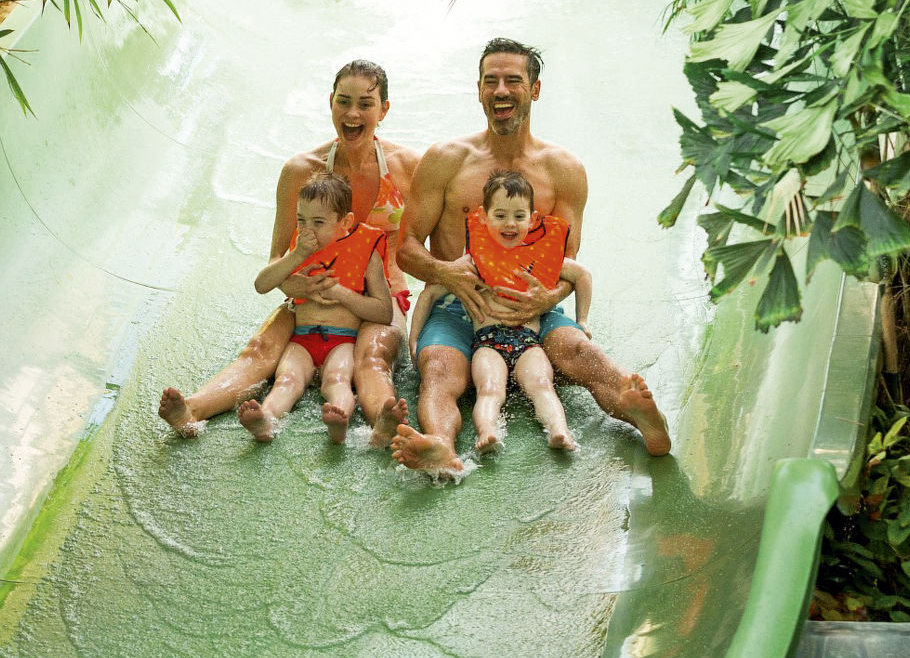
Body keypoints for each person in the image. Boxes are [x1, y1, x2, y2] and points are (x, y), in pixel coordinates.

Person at [388, 37, 671, 477]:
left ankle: (641, 416)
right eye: (491, 81)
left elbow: (567, 260)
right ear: (479, 90)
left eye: (513, 81)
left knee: (580, 353)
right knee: (440, 370)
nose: (501, 90)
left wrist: (546, 300)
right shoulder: (445, 160)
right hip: (456, 304)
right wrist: (448, 273)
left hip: (531, 304)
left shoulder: (563, 169)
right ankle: (440, 445)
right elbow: (404, 247)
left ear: (534, 90)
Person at [159, 60, 419, 442]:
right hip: (311, 293)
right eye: (343, 101)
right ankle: (192, 410)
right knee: (259, 349)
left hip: (382, 296)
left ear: (384, 109)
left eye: (365, 104)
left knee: (374, 355)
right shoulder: (301, 171)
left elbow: (416, 249)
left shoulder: (406, 168)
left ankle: (383, 416)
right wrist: (296, 285)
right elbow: (277, 258)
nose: (352, 113)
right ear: (330, 102)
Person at [423, 169, 592, 454]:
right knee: (490, 389)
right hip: (487, 343)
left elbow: (583, 276)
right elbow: (431, 292)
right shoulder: (474, 261)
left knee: (541, 385)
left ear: (533, 218)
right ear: (484, 216)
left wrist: (582, 319)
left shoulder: (541, 260)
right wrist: (415, 339)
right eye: (500, 216)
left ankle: (560, 432)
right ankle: (487, 432)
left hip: (529, 343)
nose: (509, 224)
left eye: (518, 216)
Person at [236, 173, 394, 443]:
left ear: (344, 222)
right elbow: (261, 285)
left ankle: (339, 419)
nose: (308, 229)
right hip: (302, 338)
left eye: (318, 222)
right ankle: (266, 418)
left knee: (337, 380)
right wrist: (297, 255)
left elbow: (384, 312)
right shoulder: (301, 249)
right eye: (301, 220)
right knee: (287, 379)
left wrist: (339, 292)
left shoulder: (366, 253)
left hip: (342, 341)